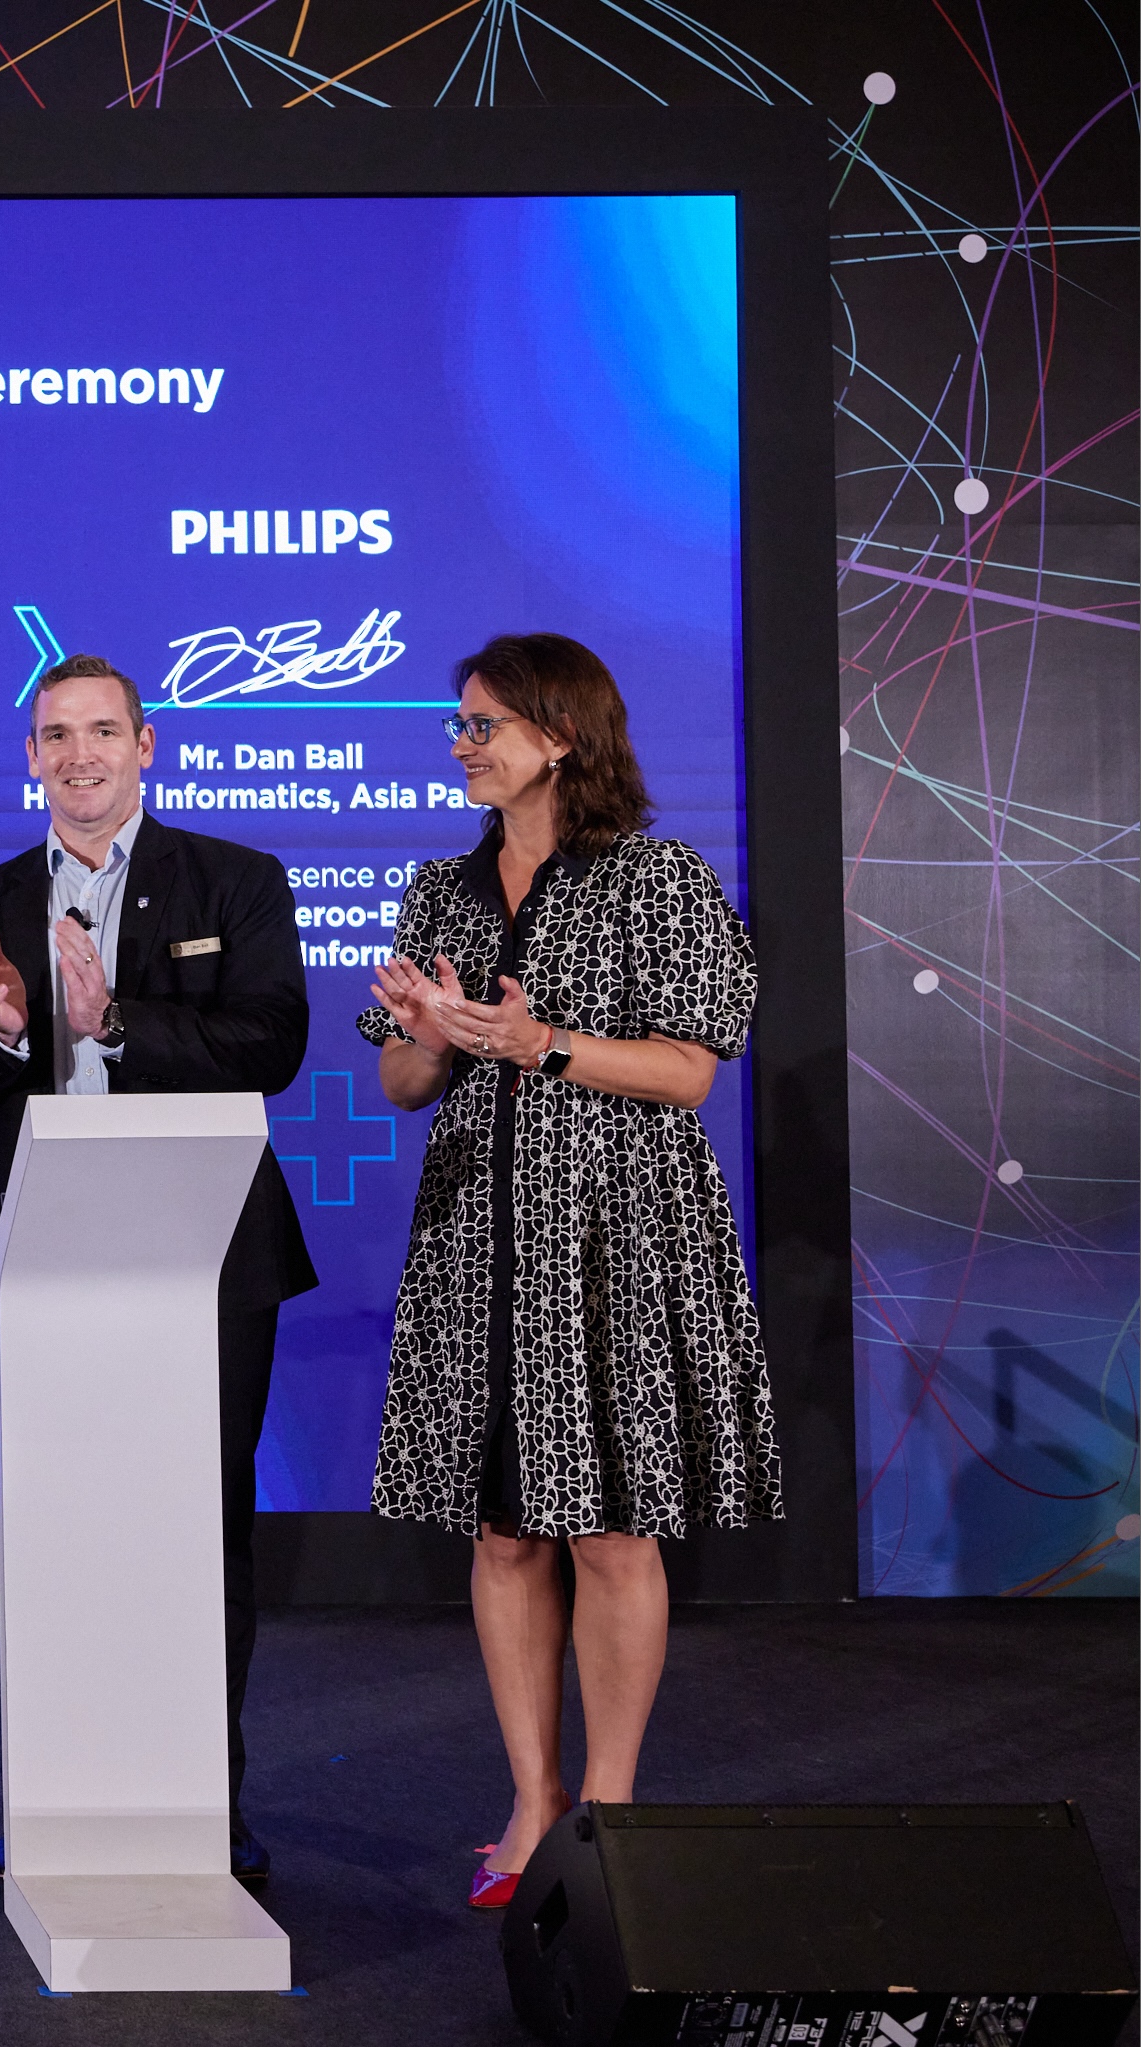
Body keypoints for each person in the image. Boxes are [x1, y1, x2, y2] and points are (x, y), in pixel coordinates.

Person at [360, 632, 779, 1911]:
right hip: (479, 1235)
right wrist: (433, 1037)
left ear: (562, 732)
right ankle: (533, 1794)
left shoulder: (658, 880)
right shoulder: (442, 887)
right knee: (501, 1534)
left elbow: (691, 1070)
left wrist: (542, 1043)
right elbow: (400, 1081)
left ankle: (610, 1806)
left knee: (607, 1529)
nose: (463, 744)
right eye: (459, 725)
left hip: (619, 1239)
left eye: (483, 723)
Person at [0, 652, 315, 1890]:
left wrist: (116, 1023)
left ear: (148, 744)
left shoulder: (237, 880)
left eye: (100, 731)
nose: (78, 755)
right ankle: (70, 1795)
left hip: (207, 1260)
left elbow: (275, 1043)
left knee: (201, 1526)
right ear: (29, 758)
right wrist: (6, 1030)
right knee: (61, 1526)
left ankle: (204, 1795)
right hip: (39, 1263)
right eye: (53, 735)